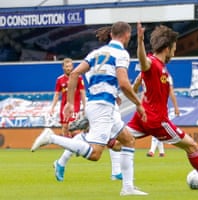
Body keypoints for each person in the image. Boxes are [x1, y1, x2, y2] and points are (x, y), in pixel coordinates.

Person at [31, 21, 148, 196]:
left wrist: (70, 103)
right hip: (103, 106)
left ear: (111, 35)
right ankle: (52, 138)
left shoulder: (96, 53)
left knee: (128, 140)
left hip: (97, 104)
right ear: (126, 36)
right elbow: (124, 83)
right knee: (95, 154)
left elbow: (76, 74)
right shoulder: (121, 54)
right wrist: (138, 104)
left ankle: (128, 187)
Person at [125, 22, 198, 189]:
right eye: (174, 48)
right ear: (167, 48)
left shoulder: (161, 67)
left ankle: (85, 140)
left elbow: (140, 81)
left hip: (142, 116)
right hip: (157, 120)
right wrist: (139, 42)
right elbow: (143, 61)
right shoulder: (153, 64)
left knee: (116, 143)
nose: (174, 52)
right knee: (191, 146)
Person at [52, 26, 123, 182]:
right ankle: (59, 156)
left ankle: (116, 172)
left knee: (115, 140)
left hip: (103, 102)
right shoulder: (111, 56)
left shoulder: (96, 56)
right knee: (113, 142)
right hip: (102, 103)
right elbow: (102, 81)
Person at [133, 72, 180, 157]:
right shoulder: (164, 75)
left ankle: (158, 151)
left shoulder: (144, 74)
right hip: (155, 109)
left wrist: (139, 103)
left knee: (157, 130)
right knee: (157, 130)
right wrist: (176, 107)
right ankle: (155, 151)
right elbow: (171, 92)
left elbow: (136, 87)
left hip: (151, 108)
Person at [49, 58, 86, 137]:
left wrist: (85, 106)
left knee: (72, 127)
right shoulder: (59, 79)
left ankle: (77, 145)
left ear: (72, 66)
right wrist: (52, 107)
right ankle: (67, 147)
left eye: (70, 66)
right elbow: (56, 94)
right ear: (63, 67)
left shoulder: (78, 78)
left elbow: (82, 92)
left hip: (75, 105)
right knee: (65, 127)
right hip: (64, 106)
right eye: (67, 66)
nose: (69, 68)